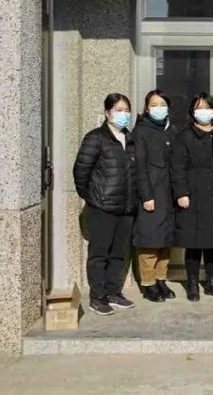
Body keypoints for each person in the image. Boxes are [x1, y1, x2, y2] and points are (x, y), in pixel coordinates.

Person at [72, 93, 139, 316]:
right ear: (108, 112)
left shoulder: (130, 139)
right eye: (119, 110)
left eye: (126, 110)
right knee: (99, 253)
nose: (123, 114)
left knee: (119, 253)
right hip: (102, 208)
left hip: (126, 208)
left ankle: (113, 292)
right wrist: (92, 198)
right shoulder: (96, 138)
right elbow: (81, 171)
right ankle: (97, 296)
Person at [171, 93, 213, 301]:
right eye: (199, 107)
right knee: (193, 242)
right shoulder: (184, 137)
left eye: (207, 107)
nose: (203, 111)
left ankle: (212, 282)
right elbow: (177, 168)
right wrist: (181, 192)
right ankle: (192, 283)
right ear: (192, 112)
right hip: (192, 194)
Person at [131, 90, 178, 303]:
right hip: (152, 194)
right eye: (154, 104)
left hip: (169, 194)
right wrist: (146, 196)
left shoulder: (172, 130)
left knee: (165, 241)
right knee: (150, 242)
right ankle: (148, 283)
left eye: (162, 104)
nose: (159, 108)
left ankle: (161, 279)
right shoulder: (141, 131)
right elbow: (139, 166)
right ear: (147, 108)